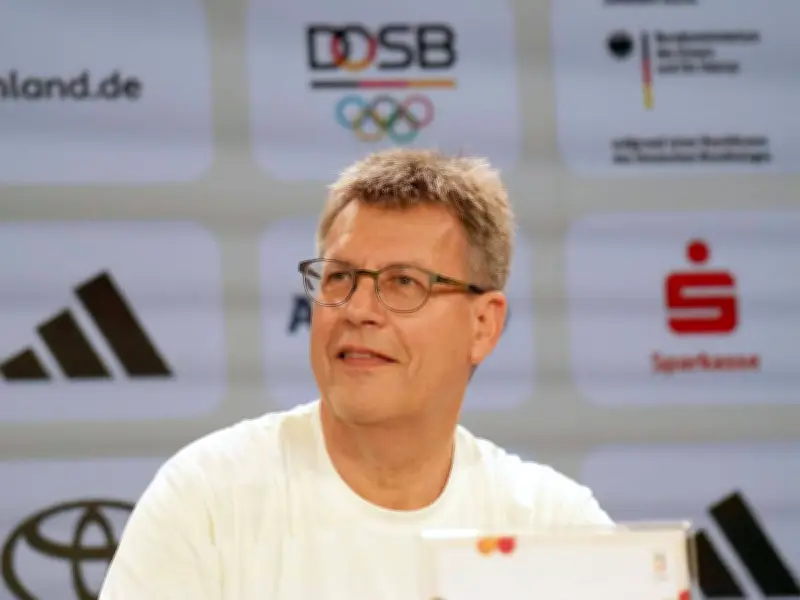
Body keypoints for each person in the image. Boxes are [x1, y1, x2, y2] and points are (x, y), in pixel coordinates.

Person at [99, 149, 612, 600]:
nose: (357, 310)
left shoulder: (554, 529)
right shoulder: (208, 498)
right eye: (340, 277)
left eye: (404, 282)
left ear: (483, 325)